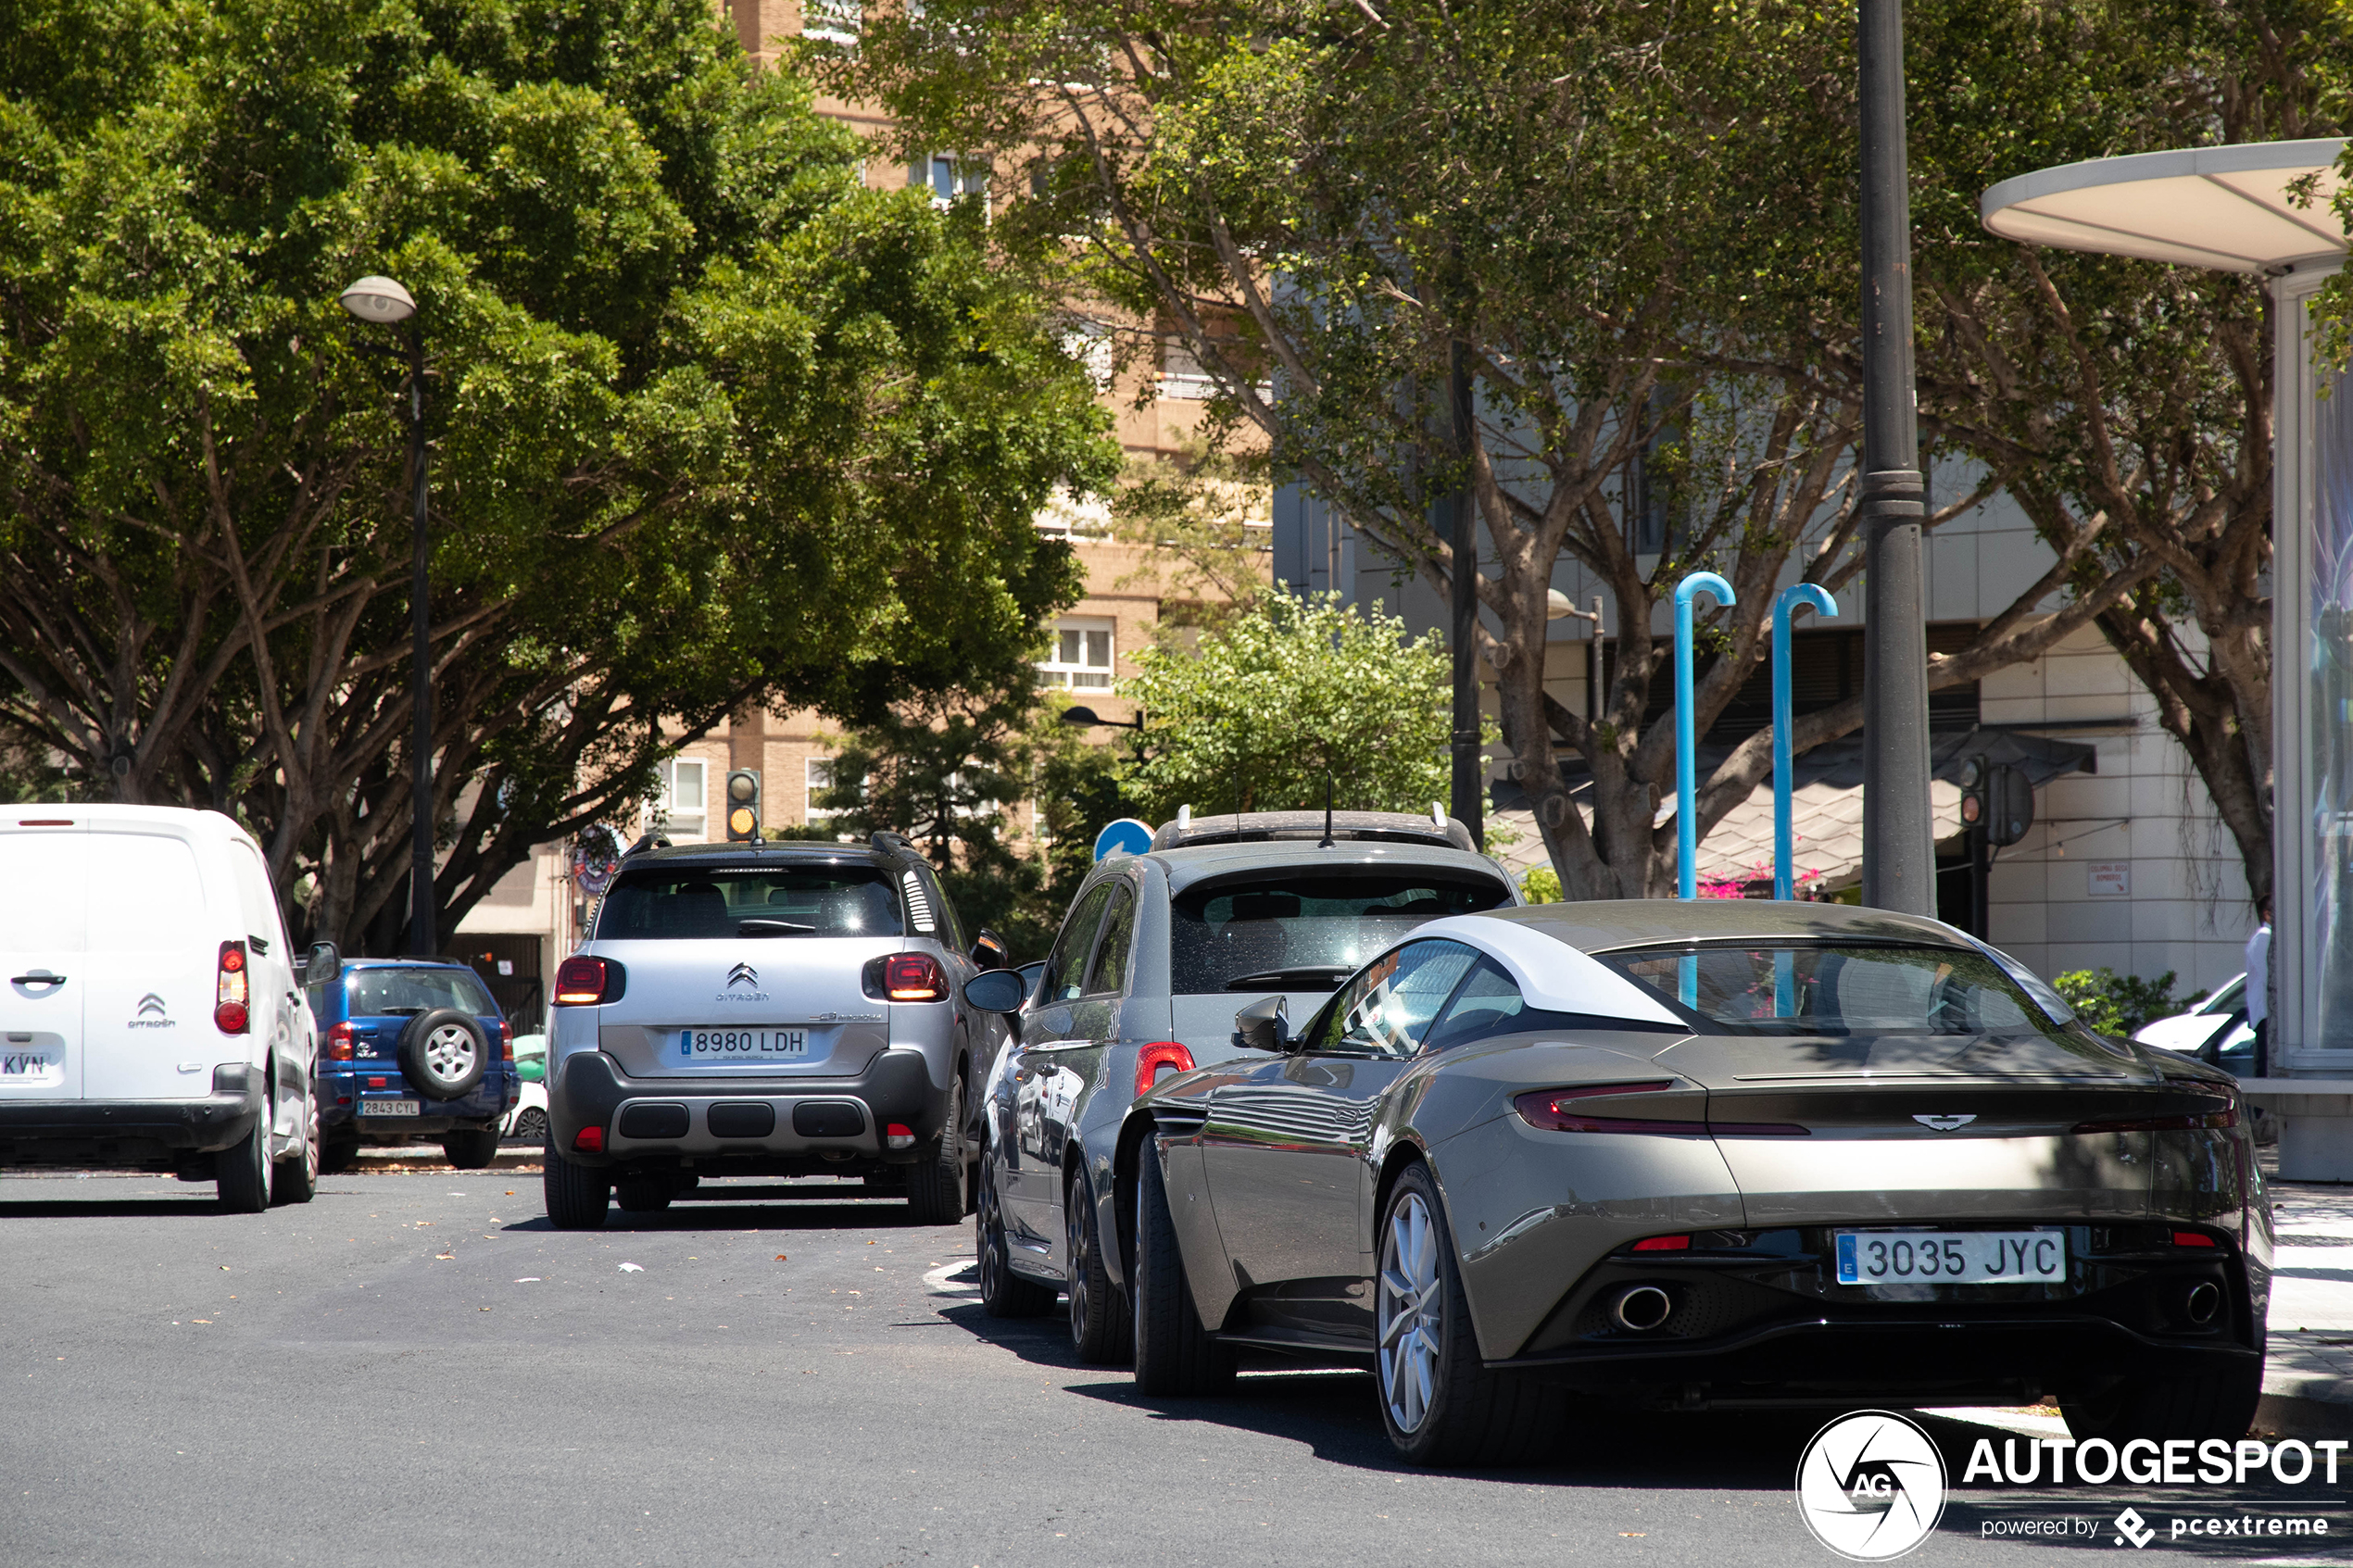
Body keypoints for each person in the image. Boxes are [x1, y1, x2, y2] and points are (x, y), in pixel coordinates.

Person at [2245, 895, 2272, 1079]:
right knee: (2264, 1062)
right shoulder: (2264, 938)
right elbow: (2268, 976)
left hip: (2265, 1010)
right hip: (2266, 1011)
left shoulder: (2262, 937)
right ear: (2267, 914)